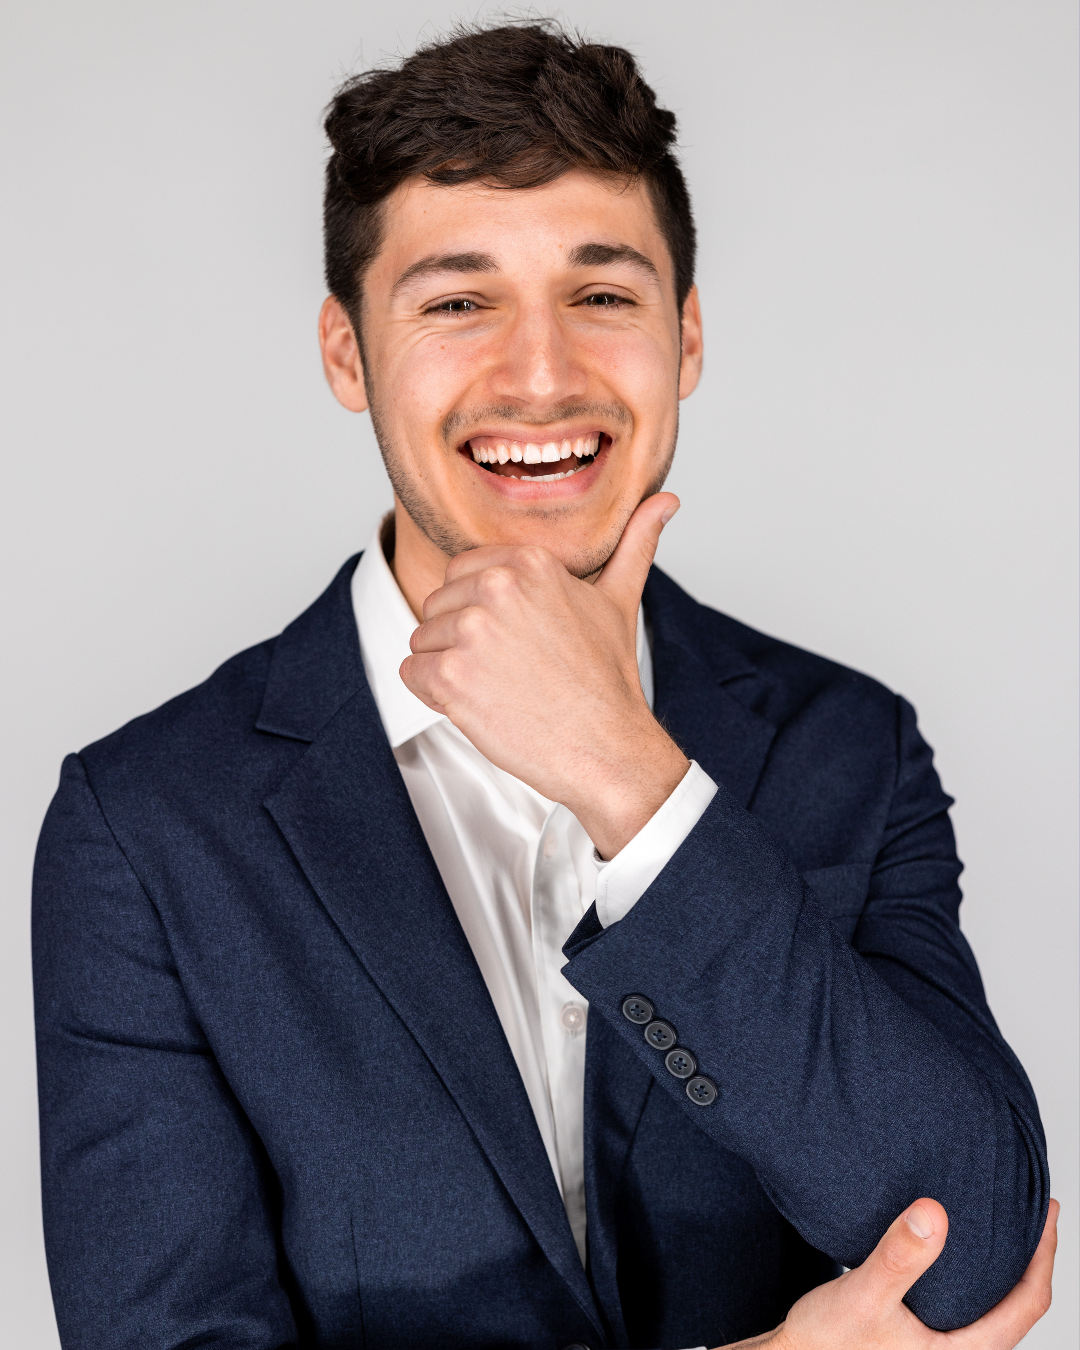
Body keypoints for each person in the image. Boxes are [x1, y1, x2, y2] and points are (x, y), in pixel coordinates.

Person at [32, 21, 1056, 1350]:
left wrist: (634, 781)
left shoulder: (851, 748)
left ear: (686, 337)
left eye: (603, 295)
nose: (541, 375)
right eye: (458, 302)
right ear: (347, 353)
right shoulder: (144, 827)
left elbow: (976, 1247)